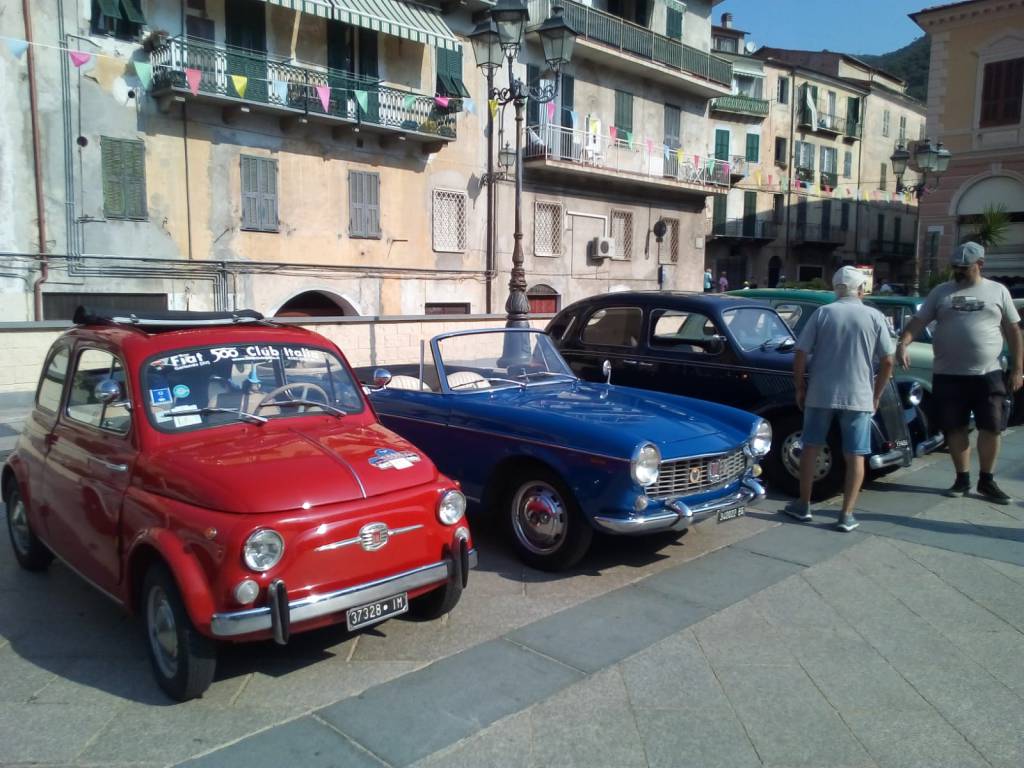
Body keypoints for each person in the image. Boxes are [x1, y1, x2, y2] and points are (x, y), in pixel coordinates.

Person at [897, 242, 1022, 503]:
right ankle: (961, 478)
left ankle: (987, 480)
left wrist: (1018, 368)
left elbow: (1013, 330)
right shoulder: (941, 292)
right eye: (956, 268)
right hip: (948, 374)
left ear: (980, 265)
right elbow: (919, 321)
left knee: (992, 427)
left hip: (988, 373)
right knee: (955, 428)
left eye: (964, 268)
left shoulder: (998, 291)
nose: (959, 272)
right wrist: (904, 342)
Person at [785, 266, 895, 531]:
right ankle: (846, 514)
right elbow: (888, 360)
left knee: (810, 446)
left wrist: (800, 386)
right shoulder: (874, 316)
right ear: (860, 288)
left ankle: (804, 504)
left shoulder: (823, 313)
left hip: (821, 392)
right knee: (855, 454)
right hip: (859, 395)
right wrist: (877, 394)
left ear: (835, 288)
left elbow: (800, 352)